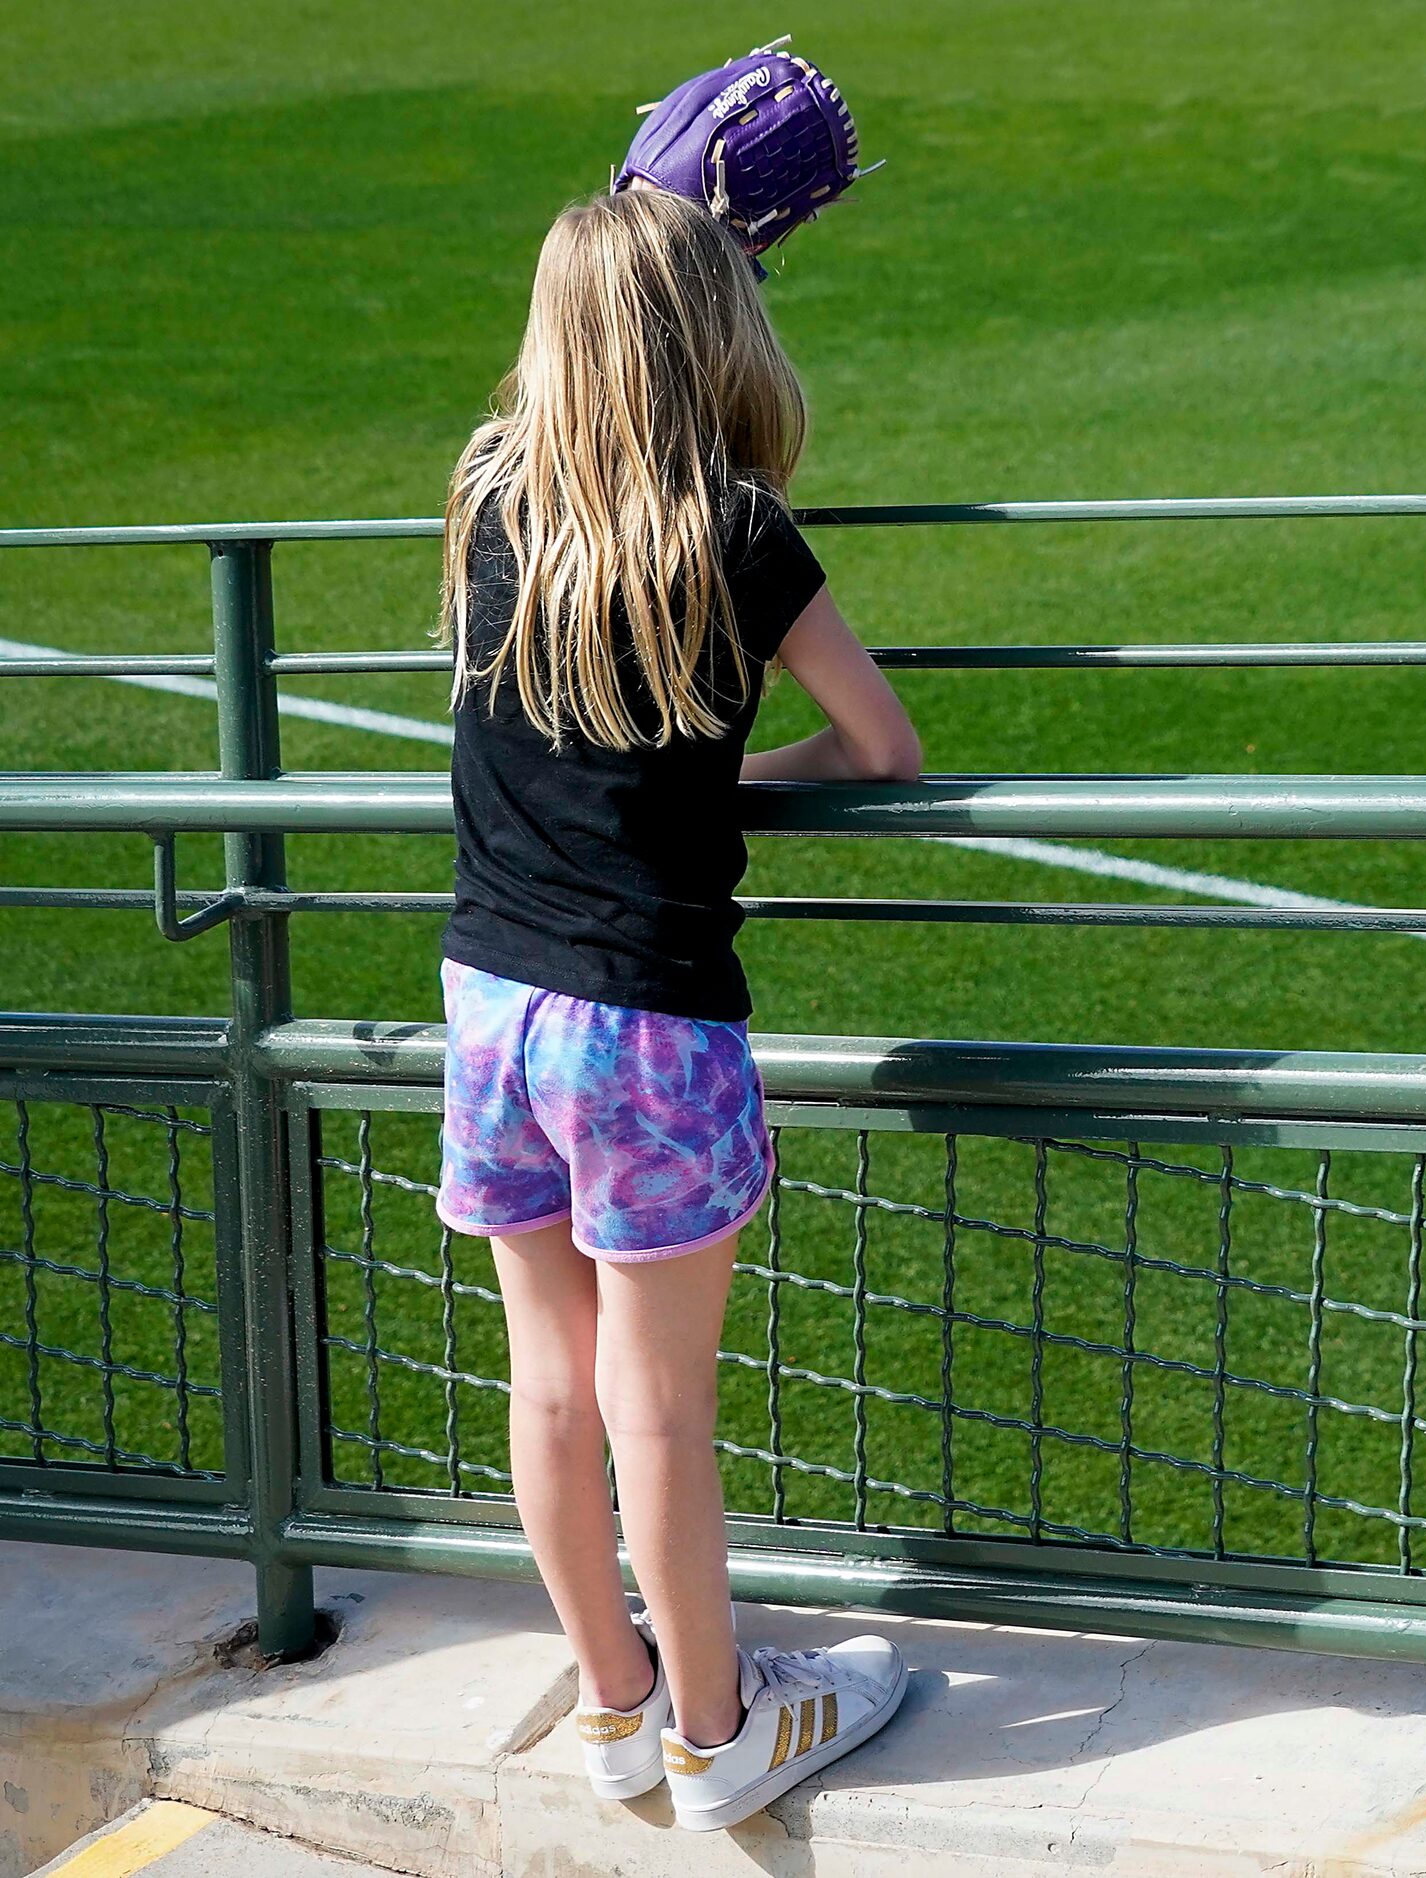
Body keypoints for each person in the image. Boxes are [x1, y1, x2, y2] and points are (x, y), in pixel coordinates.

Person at [433, 185, 921, 1832]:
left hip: (489, 997)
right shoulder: (733, 526)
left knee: (548, 1381)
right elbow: (881, 746)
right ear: (706, 330)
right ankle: (724, 1735)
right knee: (657, 1396)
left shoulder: (489, 491)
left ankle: (619, 1704)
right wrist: (727, 785)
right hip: (644, 1022)